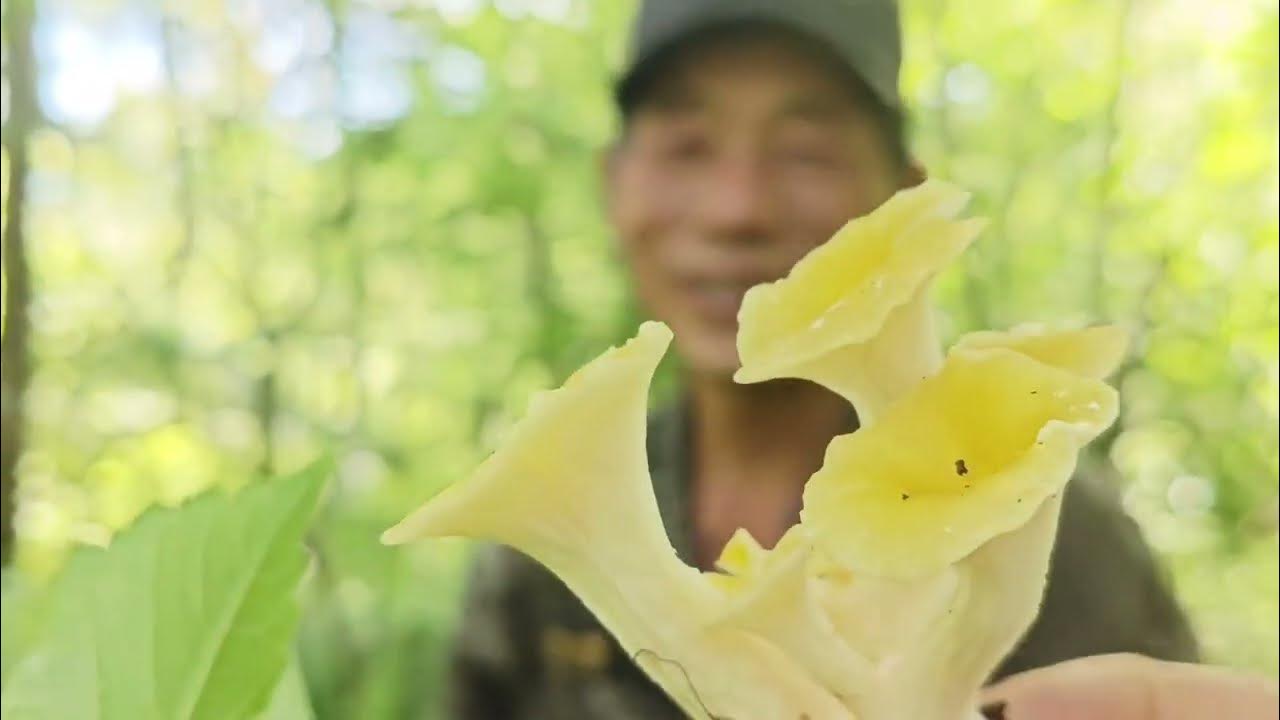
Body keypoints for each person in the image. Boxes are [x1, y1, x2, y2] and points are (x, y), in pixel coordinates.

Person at [444, 1, 1200, 717]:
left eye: (808, 153)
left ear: (903, 196)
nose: (737, 209)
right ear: (613, 186)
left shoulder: (1058, 533)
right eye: (686, 147)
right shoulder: (534, 577)